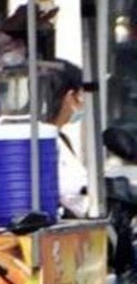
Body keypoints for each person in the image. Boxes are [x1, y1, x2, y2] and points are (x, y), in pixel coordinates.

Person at [41, 60, 91, 218]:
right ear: (70, 97)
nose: (82, 102)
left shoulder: (61, 139)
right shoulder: (42, 143)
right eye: (80, 95)